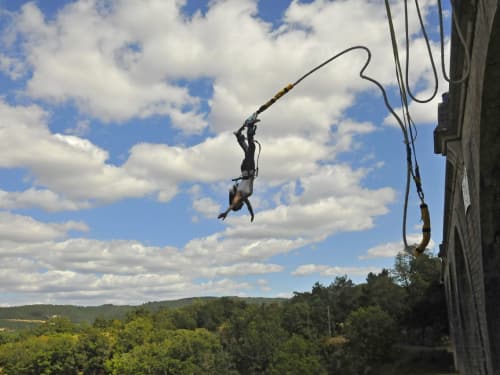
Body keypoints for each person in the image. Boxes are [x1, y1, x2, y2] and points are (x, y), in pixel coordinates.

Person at [218, 118, 258, 222]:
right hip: (246, 169)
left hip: (248, 169)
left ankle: (249, 126)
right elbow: (249, 206)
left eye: (239, 206)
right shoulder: (244, 197)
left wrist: (226, 212)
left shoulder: (239, 195)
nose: (242, 205)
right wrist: (252, 215)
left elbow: (233, 204)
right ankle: (239, 136)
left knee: (251, 148)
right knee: (248, 150)